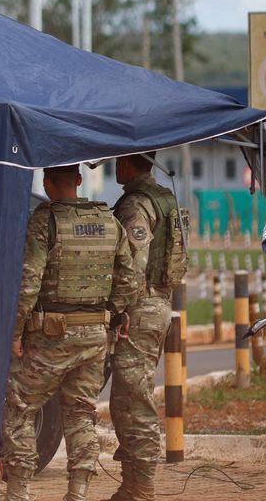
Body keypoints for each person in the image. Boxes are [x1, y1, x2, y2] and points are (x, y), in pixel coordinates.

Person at [3, 164, 139, 501]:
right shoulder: (109, 221)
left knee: (19, 406)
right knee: (81, 413)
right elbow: (131, 281)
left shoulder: (44, 220)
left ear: (47, 182)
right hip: (94, 336)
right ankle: (77, 493)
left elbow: (29, 281)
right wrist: (116, 314)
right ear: (79, 180)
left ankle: (18, 492)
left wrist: (15, 331)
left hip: (51, 337)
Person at [106, 153, 185, 501]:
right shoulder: (164, 197)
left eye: (118, 159)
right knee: (128, 396)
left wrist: (117, 309)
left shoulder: (137, 204)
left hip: (140, 307)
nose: (113, 165)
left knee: (133, 399)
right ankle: (131, 485)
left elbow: (132, 265)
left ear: (130, 162)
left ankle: (142, 488)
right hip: (157, 303)